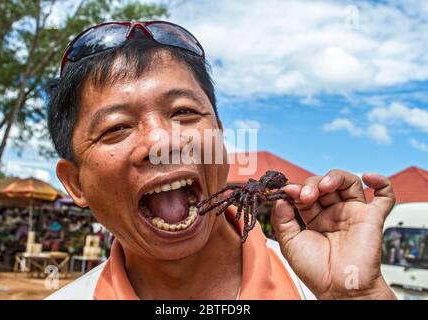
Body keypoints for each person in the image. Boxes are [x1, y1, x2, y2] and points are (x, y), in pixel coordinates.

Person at [46, 21, 397, 300]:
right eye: (116, 127)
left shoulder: (320, 284)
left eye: (183, 112)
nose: (163, 142)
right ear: (75, 182)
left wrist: (358, 294)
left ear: (220, 136)